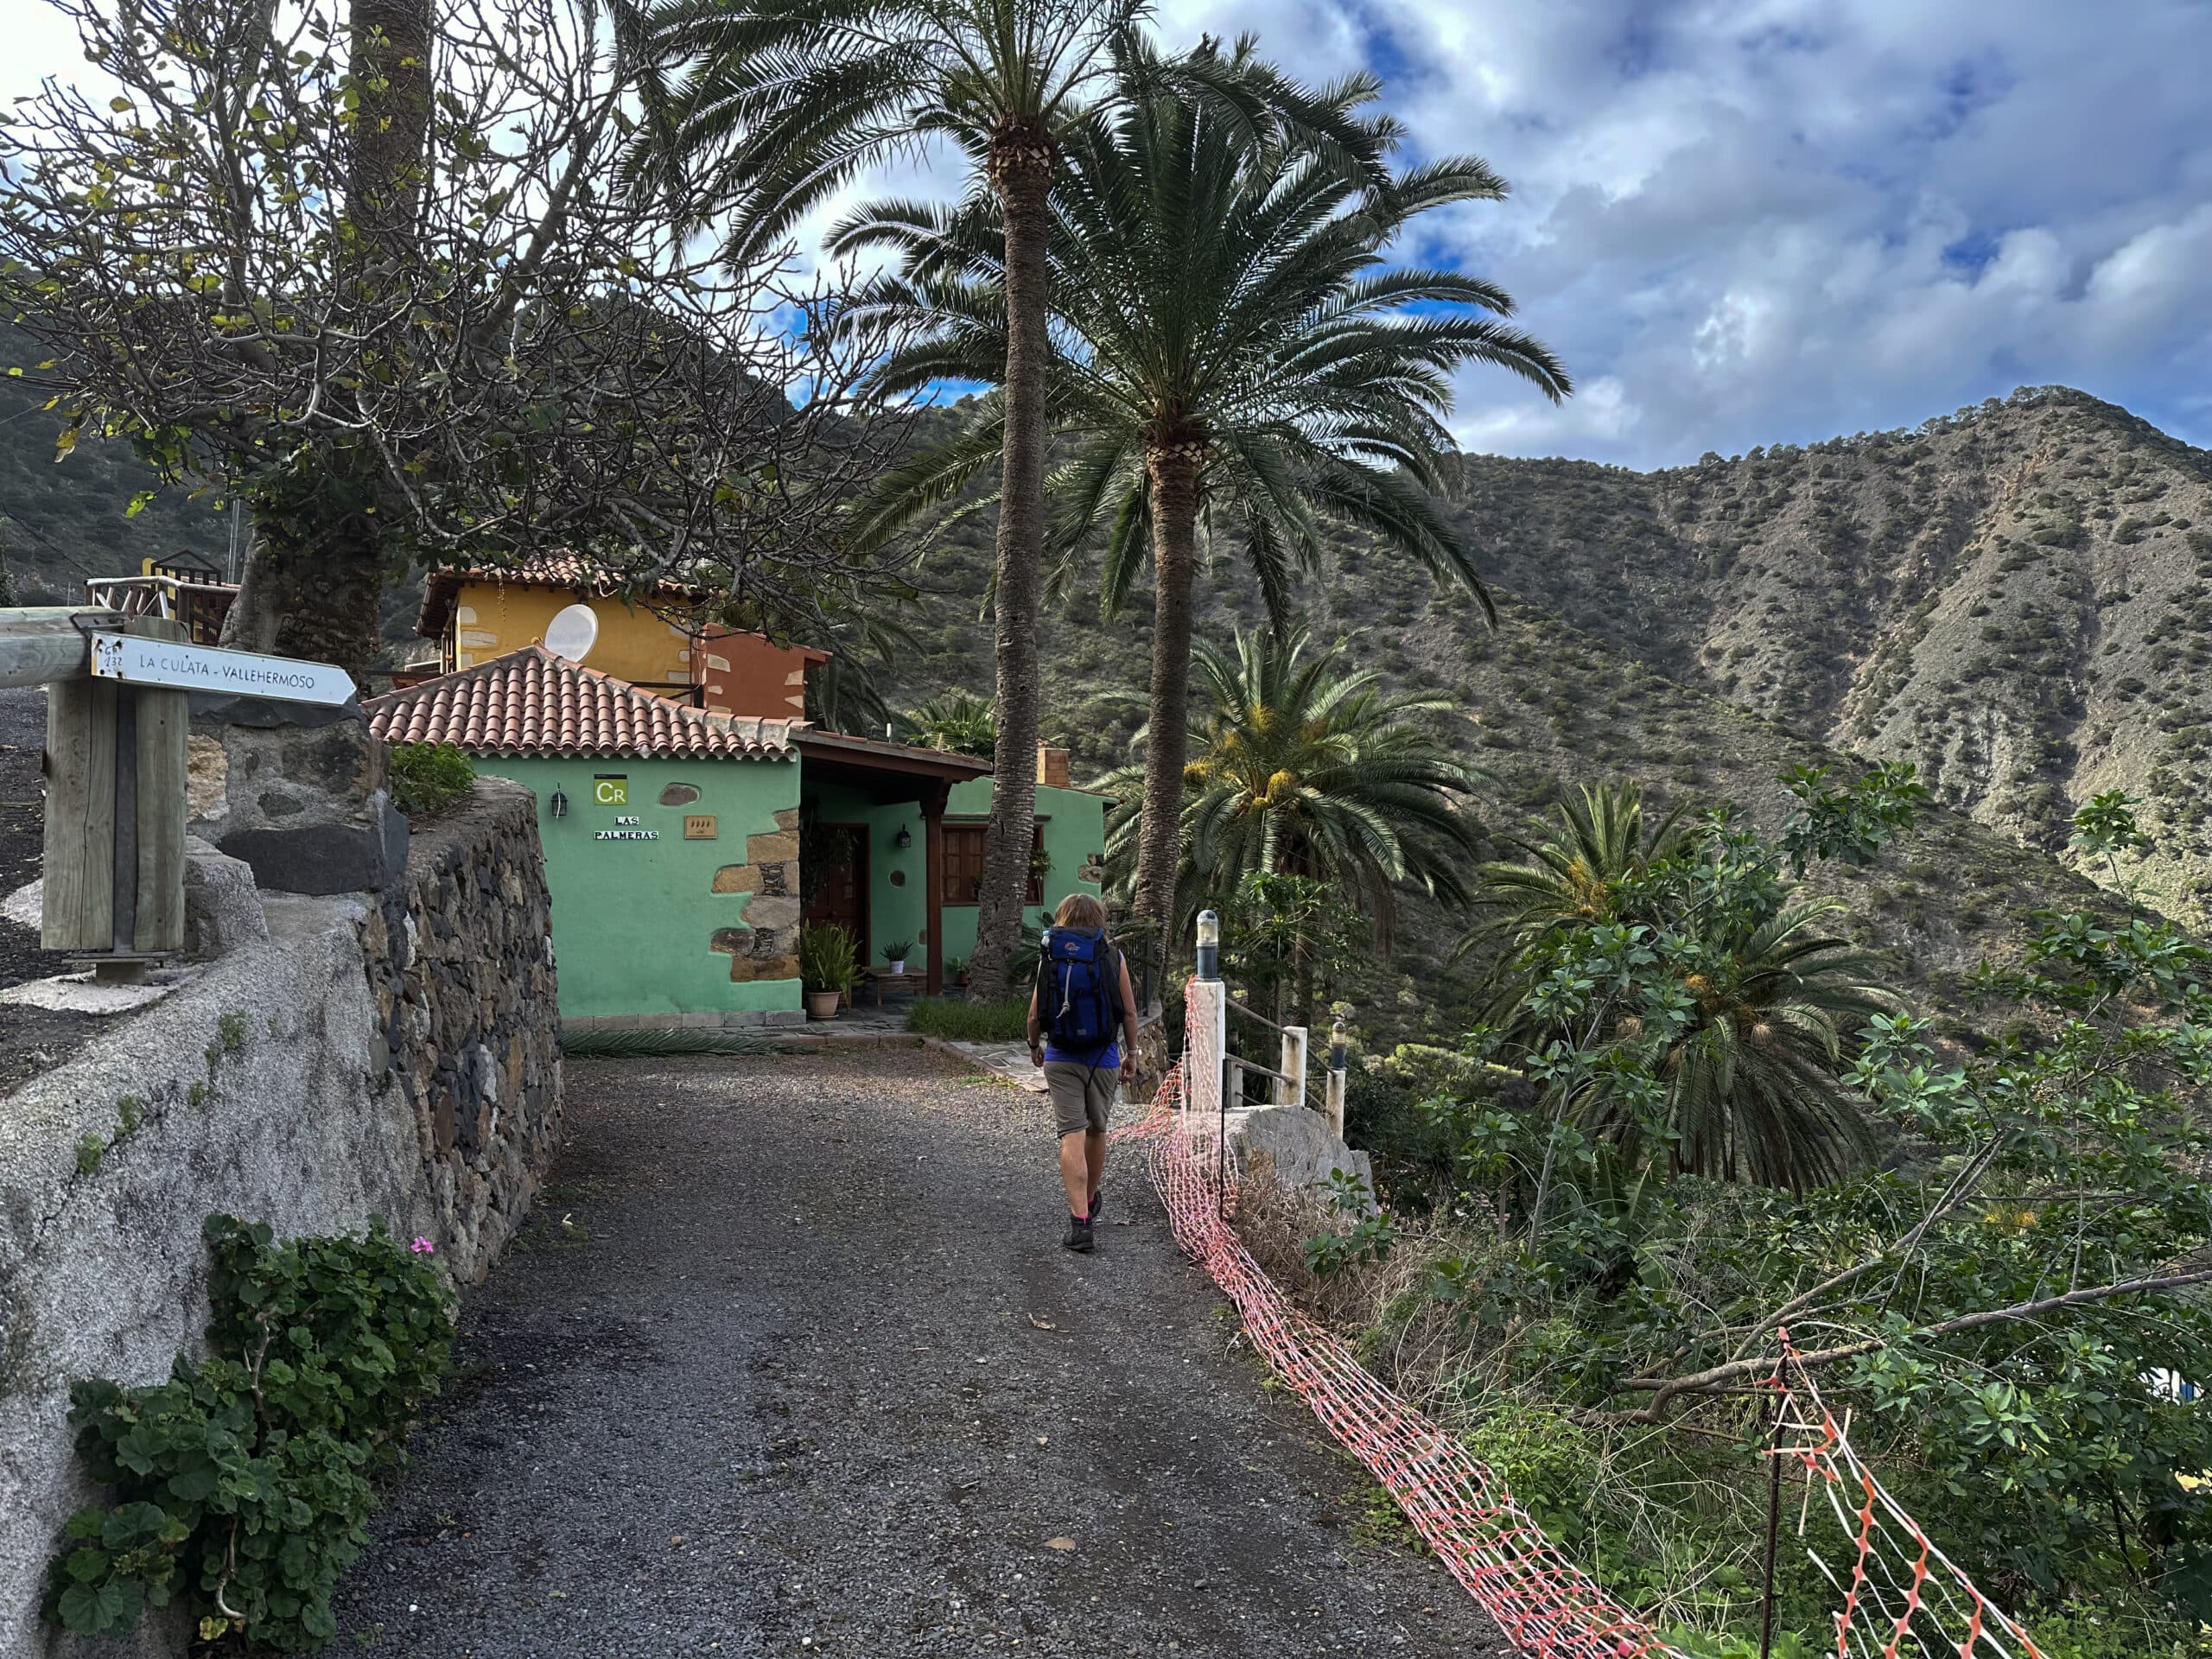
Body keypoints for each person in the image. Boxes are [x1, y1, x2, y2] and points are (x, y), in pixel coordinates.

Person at [1027, 893, 1139, 1253]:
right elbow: (1130, 1013)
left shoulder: (1050, 957)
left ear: (1062, 919)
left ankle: (1080, 1224)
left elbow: (1033, 1016)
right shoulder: (1112, 956)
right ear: (1099, 920)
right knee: (1097, 1130)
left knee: (1070, 1135)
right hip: (1103, 1059)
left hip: (1061, 1057)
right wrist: (1132, 1054)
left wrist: (1034, 1046)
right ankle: (1089, 1203)